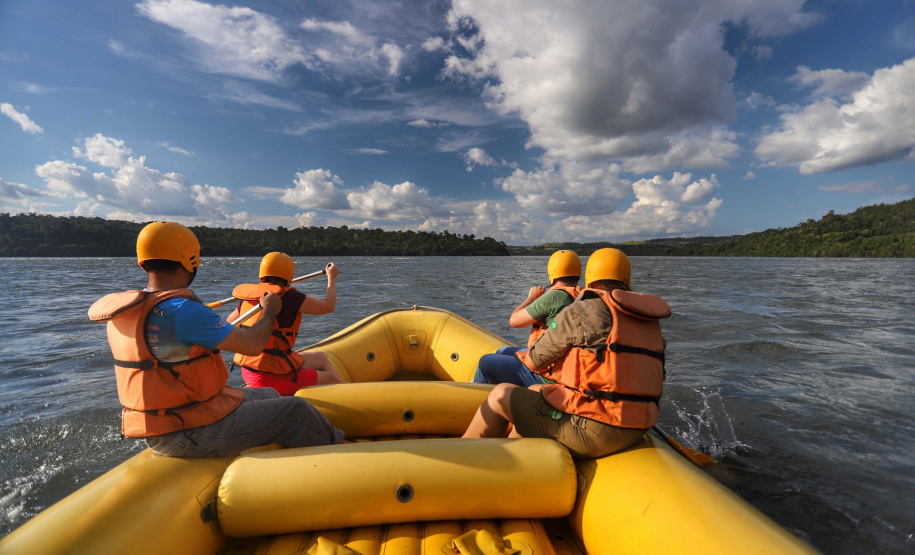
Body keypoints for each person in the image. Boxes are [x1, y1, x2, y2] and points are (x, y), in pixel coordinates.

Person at [88, 222, 345, 458]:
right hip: (188, 431)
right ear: (191, 259)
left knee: (268, 393)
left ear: (143, 261)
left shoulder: (129, 310)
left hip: (167, 422)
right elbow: (254, 343)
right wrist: (269, 310)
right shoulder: (182, 310)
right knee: (296, 411)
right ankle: (342, 456)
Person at [462, 248, 671, 459]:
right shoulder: (650, 322)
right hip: (637, 428)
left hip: (596, 429)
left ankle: (462, 460)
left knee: (501, 394)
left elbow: (535, 361)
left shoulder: (581, 310)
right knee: (536, 389)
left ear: (590, 278)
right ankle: (508, 462)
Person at [228, 252, 345, 395]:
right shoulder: (290, 297)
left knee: (320, 357)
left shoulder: (249, 298)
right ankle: (353, 399)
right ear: (289, 275)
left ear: (261, 274)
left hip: (249, 371)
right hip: (271, 377)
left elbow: (229, 322)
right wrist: (331, 278)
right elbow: (328, 306)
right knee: (332, 378)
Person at [472, 250, 581, 387]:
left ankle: (476, 399)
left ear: (551, 272)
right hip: (562, 363)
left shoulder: (554, 296)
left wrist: (532, 298)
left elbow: (514, 321)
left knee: (486, 362)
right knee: (502, 351)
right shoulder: (581, 295)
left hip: (549, 373)